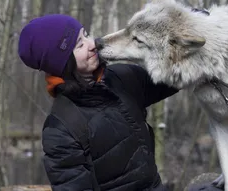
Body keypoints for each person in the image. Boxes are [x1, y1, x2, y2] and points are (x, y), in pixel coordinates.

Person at [18, 14, 178, 191]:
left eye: (86, 34)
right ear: (62, 64)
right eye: (80, 44)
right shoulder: (61, 129)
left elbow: (176, 76)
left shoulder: (122, 77)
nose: (92, 44)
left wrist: (190, 25)